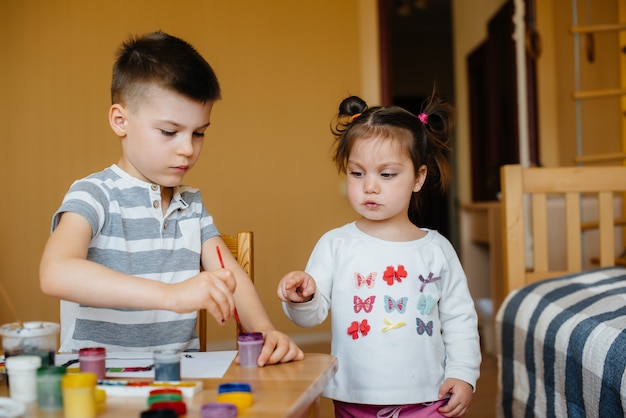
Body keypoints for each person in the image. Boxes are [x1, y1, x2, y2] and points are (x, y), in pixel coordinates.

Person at [39, 31, 303, 366]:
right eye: (169, 132)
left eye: (199, 133)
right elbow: (55, 272)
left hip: (179, 380)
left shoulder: (191, 206)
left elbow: (229, 275)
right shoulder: (94, 194)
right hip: (96, 382)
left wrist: (265, 330)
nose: (187, 148)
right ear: (120, 120)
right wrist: (171, 295)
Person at [277, 93, 481, 417]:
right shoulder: (336, 244)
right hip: (355, 395)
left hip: (428, 395)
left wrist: (463, 372)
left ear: (418, 178)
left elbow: (460, 318)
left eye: (386, 175)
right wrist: (303, 298)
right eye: (358, 173)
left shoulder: (436, 250)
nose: (370, 186)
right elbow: (312, 316)